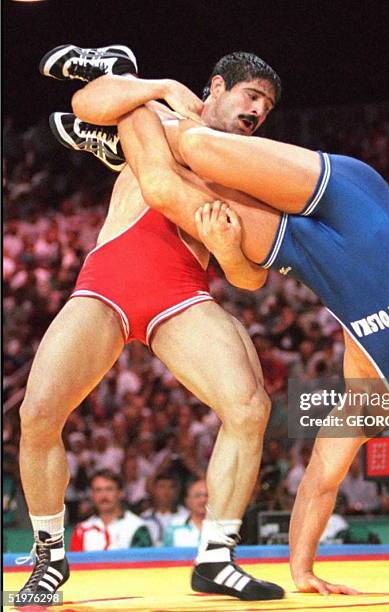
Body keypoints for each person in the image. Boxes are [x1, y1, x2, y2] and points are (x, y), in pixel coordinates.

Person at [52, 46, 389, 591]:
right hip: (357, 204)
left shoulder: (368, 383)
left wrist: (302, 572)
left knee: (164, 187)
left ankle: (126, 138)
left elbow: (321, 482)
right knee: (199, 146)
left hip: (305, 250)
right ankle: (125, 84)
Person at [17, 45, 285, 603]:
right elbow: (86, 101)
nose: (259, 110)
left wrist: (225, 247)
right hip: (107, 284)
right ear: (215, 86)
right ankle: (49, 559)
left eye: (267, 105)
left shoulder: (246, 171)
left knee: (249, 406)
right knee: (38, 412)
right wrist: (159, 84)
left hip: (181, 293)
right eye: (251, 95)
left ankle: (217, 558)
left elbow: (250, 279)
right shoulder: (164, 119)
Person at [69, 470, 152, 551]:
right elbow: (74, 564)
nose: (103, 495)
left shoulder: (137, 527)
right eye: (98, 490)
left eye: (109, 489)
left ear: (120, 493)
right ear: (92, 495)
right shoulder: (81, 530)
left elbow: (143, 563)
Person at [141, 473, 188, 547]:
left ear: (176, 491)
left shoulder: (187, 517)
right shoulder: (144, 518)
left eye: (171, 487)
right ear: (153, 490)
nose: (166, 491)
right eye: (161, 486)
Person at [164, 479, 208, 547]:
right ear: (188, 501)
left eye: (207, 495)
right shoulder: (174, 525)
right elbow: (166, 555)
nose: (203, 500)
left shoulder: (222, 526)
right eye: (198, 496)